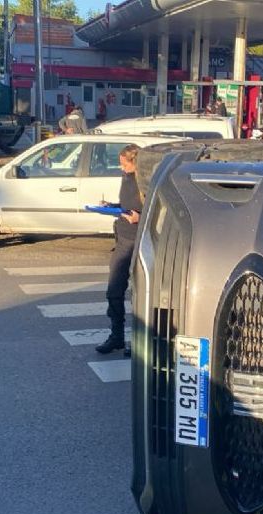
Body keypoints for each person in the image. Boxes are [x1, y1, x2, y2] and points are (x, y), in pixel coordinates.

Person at [96, 144, 142, 356]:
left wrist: (139, 218)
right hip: (123, 239)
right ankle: (116, 337)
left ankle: (140, 342)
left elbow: (159, 211)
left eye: (125, 164)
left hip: (140, 242)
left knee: (141, 296)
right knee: (114, 291)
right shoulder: (126, 178)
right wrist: (111, 206)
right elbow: (126, 204)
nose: (121, 168)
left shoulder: (145, 182)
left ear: (136, 163)